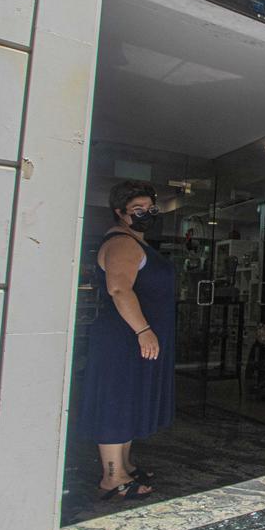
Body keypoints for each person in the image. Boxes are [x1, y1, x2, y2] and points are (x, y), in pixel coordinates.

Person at [78, 181, 176, 501]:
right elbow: (119, 289)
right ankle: (112, 477)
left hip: (134, 337)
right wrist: (143, 330)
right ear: (120, 212)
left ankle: (125, 465)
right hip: (123, 338)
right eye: (138, 210)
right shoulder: (121, 243)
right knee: (116, 399)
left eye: (150, 209)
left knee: (129, 397)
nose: (146, 214)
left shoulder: (136, 242)